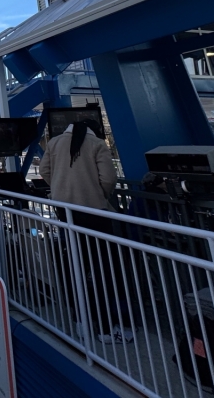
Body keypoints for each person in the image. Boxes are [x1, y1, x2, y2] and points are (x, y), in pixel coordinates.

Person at [39, 120, 128, 343]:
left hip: (65, 211)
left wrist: (60, 188)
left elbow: (44, 170)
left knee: (74, 264)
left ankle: (81, 322)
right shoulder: (97, 144)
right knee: (102, 267)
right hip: (95, 212)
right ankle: (107, 328)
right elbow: (108, 178)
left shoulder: (55, 143)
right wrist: (98, 194)